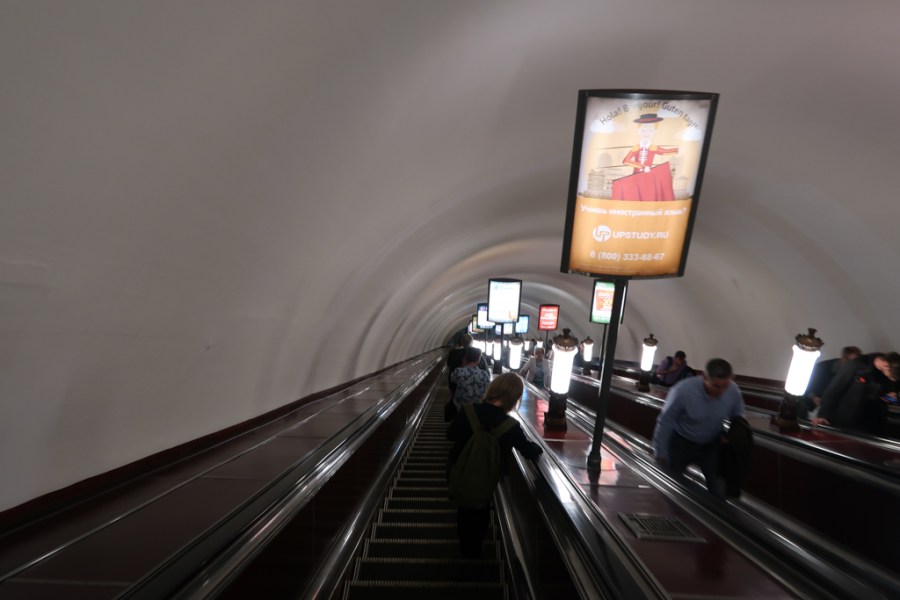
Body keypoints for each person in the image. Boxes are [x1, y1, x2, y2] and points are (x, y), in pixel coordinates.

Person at [446, 373, 543, 558]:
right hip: (487, 479)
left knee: (464, 510)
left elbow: (450, 434)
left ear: (493, 388)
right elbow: (528, 451)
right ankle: (474, 551)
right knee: (480, 512)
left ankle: (464, 547)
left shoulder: (468, 410)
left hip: (460, 469)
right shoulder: (511, 426)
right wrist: (538, 447)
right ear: (514, 398)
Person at [652, 358, 745, 497]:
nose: (721, 391)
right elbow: (666, 421)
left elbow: (738, 415)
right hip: (681, 443)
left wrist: (732, 434)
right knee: (671, 484)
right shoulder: (682, 391)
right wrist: (660, 453)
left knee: (719, 488)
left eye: (725, 386)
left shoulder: (733, 390)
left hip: (711, 444)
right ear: (704, 377)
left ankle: (717, 509)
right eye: (716, 386)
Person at [813, 352, 899, 435]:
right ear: (886, 365)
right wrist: (822, 415)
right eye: (892, 377)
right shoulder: (856, 365)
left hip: (874, 423)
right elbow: (833, 390)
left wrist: (892, 398)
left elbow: (887, 396)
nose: (893, 379)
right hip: (848, 420)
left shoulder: (892, 370)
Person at [802, 345, 861, 418]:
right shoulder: (822, 367)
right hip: (810, 407)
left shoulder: (853, 373)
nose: (850, 366)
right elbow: (806, 386)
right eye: (849, 362)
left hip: (831, 411)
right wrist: (813, 397)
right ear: (843, 358)